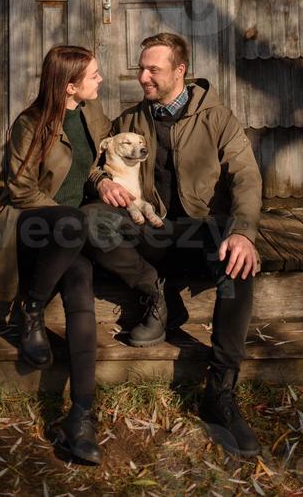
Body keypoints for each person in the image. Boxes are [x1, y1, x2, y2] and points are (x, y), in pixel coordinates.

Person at [84, 32, 262, 457]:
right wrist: (103, 180)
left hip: (202, 231)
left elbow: (246, 177)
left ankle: (220, 392)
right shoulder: (131, 119)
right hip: (152, 230)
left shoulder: (216, 117)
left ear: (179, 71)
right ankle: (154, 291)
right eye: (140, 68)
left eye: (152, 70)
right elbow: (96, 165)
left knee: (239, 267)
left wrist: (242, 231)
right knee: (86, 224)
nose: (142, 76)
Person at [0, 45, 111, 465]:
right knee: (71, 225)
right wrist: (73, 218)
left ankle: (82, 415)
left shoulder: (92, 115)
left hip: (71, 234)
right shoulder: (30, 124)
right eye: (94, 75)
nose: (101, 80)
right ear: (70, 86)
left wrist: (102, 184)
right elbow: (21, 191)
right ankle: (31, 306)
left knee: (81, 286)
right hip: (31, 226)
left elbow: (96, 164)